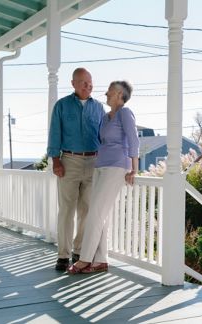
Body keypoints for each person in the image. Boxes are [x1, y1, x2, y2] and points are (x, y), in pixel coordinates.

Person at [68, 80, 139, 274]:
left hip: (116, 167)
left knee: (95, 213)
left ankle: (85, 259)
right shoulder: (107, 117)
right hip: (100, 166)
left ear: (119, 94)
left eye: (110, 91)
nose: (106, 93)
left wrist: (134, 169)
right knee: (100, 214)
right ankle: (100, 260)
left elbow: (133, 139)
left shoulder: (125, 113)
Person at [47, 67, 105, 271]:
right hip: (68, 161)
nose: (88, 86)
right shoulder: (61, 106)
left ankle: (79, 251)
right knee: (66, 210)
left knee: (87, 211)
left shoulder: (98, 108)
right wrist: (55, 160)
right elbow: (55, 133)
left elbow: (103, 137)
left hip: (93, 162)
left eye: (90, 83)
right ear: (73, 83)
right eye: (83, 83)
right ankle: (63, 254)